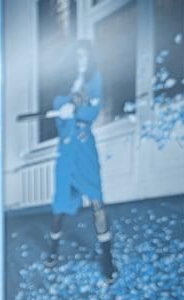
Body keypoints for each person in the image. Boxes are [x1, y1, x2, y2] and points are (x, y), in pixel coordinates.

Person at [45, 39, 118, 284]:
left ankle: (107, 257)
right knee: (60, 203)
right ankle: (53, 250)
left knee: (97, 200)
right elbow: (58, 108)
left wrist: (75, 111)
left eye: (85, 56)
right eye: (77, 57)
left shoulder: (95, 79)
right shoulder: (63, 85)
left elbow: (92, 111)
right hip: (66, 151)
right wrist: (63, 109)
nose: (82, 61)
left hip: (85, 149)